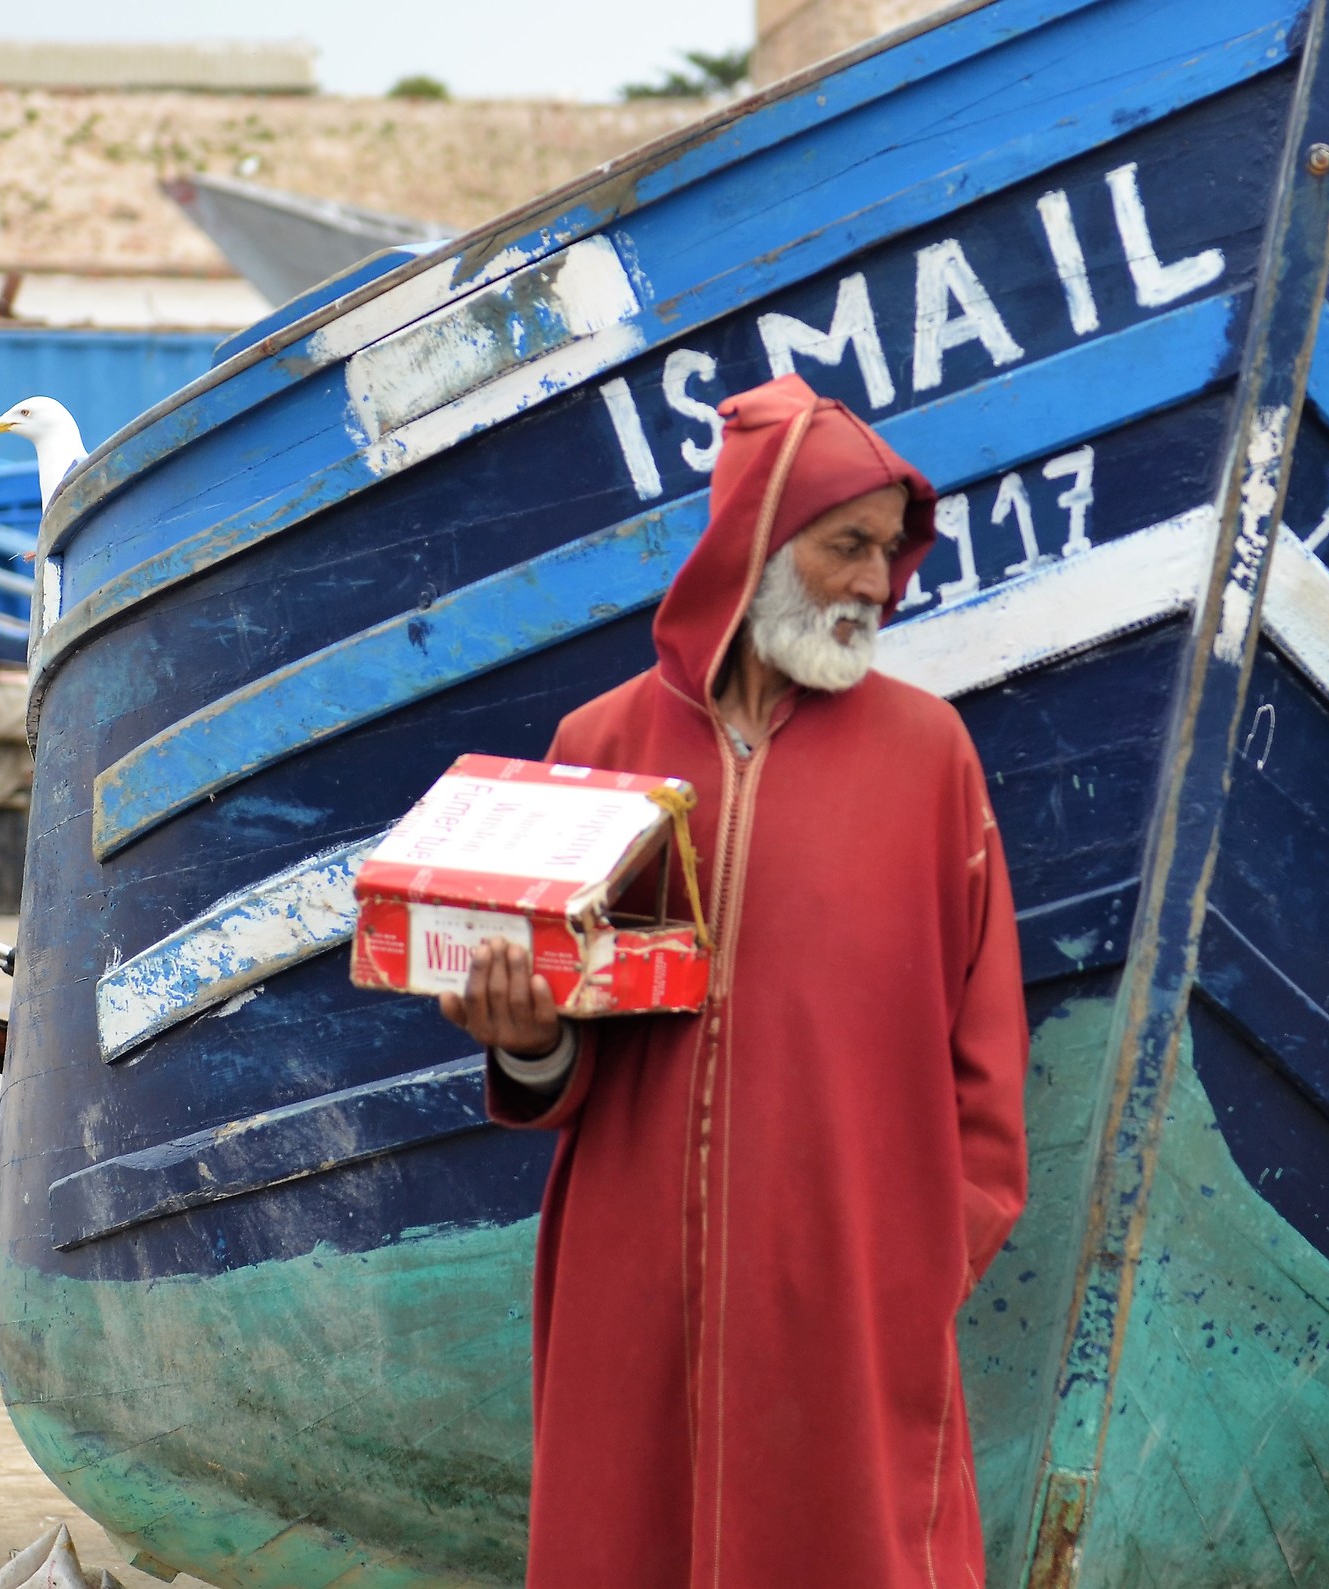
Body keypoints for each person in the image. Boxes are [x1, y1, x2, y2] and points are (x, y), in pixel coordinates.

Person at [438, 372, 1030, 1588]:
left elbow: (987, 1059)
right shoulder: (601, 749)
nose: (879, 581)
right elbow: (562, 1047)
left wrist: (914, 1266)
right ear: (755, 540)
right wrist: (528, 1037)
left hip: (853, 1299)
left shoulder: (932, 762)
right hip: (630, 1288)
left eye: (890, 551)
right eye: (847, 545)